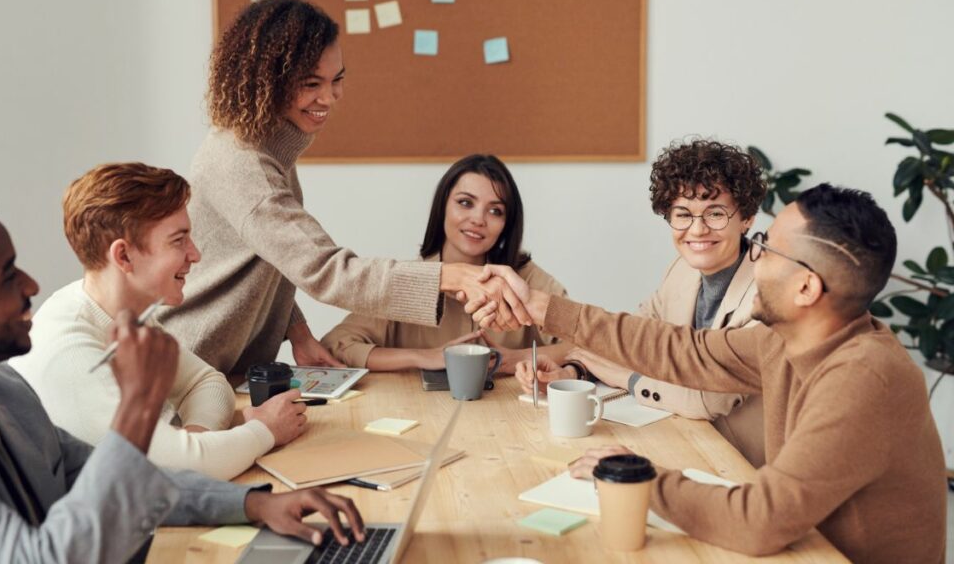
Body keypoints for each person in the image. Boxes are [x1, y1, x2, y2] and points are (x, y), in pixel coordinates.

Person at [485, 184, 946, 563]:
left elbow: (759, 521)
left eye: (765, 248)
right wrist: (544, 308)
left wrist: (640, 477)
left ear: (806, 286)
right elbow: (683, 351)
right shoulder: (786, 340)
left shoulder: (864, 377)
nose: (754, 257)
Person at [0, 188, 365, 563]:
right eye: (7, 276)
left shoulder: (5, 389)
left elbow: (114, 477)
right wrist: (139, 407)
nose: (31, 285)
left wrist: (253, 503)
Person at [158, 0, 530, 378]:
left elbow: (274, 258)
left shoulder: (267, 150)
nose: (329, 98)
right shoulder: (243, 164)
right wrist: (447, 277)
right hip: (188, 367)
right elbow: (326, 269)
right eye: (311, 83)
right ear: (268, 81)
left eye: (337, 80)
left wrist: (298, 332)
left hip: (223, 370)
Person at [9, 163, 306, 480]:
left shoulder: (124, 313)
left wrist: (196, 441)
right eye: (179, 241)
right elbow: (180, 471)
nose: (195, 255)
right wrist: (264, 431)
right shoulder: (70, 353)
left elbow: (206, 382)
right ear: (123, 257)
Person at [515, 139, 767, 466]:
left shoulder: (767, 292)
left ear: (746, 217)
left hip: (743, 466)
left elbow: (706, 399)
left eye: (715, 213)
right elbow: (631, 341)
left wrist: (628, 378)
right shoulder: (681, 271)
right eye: (683, 214)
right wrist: (573, 370)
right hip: (683, 443)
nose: (697, 229)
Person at [322, 154, 568, 374]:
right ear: (442, 208)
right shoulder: (408, 281)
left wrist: (520, 358)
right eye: (465, 203)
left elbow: (589, 344)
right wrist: (424, 357)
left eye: (495, 211)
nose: (478, 219)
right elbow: (336, 345)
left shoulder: (526, 279)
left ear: (507, 224)